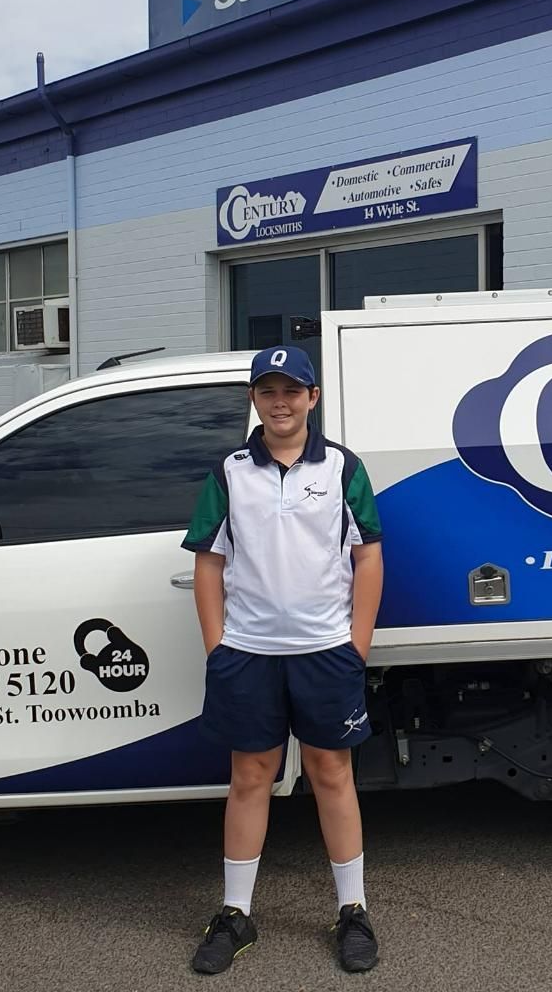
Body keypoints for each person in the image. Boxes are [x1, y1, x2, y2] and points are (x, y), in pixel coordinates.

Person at [182, 345, 384, 975]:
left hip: (326, 652)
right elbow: (208, 563)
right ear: (253, 400)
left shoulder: (344, 468)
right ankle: (235, 914)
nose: (281, 402)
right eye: (268, 391)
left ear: (312, 399)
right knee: (250, 778)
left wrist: (358, 646)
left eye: (292, 390)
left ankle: (352, 910)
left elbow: (368, 556)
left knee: (331, 773)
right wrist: (218, 646)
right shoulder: (229, 471)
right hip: (249, 653)